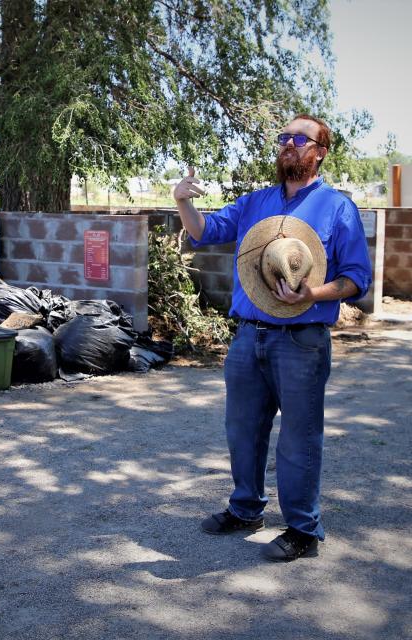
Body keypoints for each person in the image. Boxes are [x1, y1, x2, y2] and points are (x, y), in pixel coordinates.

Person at [172, 114, 372, 561]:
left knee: (298, 438)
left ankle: (303, 529)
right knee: (243, 430)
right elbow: (205, 233)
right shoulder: (254, 203)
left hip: (302, 341)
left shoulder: (338, 208)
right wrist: (183, 202)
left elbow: (358, 278)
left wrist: (314, 292)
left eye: (300, 139)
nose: (288, 144)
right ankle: (246, 509)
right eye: (284, 138)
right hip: (247, 338)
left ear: (320, 151)